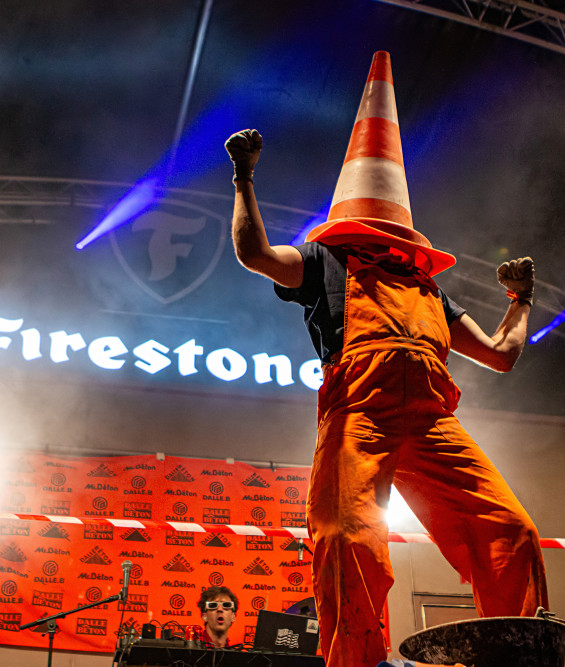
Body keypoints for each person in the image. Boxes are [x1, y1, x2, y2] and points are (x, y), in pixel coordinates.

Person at [225, 51, 548, 667]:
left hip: (431, 423)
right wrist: (243, 179)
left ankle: (516, 657)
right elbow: (255, 254)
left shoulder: (430, 290)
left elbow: (502, 355)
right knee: (347, 537)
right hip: (359, 416)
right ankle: (357, 662)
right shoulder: (323, 262)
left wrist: (522, 300)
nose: (388, 240)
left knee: (511, 530)